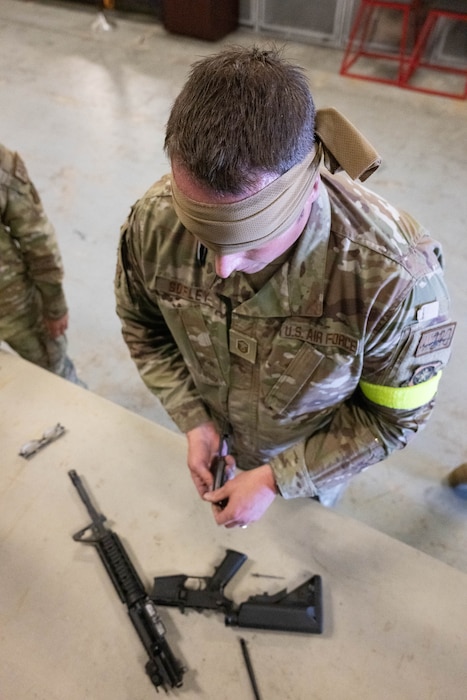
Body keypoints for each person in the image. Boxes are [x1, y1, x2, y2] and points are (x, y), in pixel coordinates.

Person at [115, 46, 455, 528]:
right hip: (221, 438)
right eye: (201, 234)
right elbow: (143, 327)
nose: (224, 267)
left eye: (251, 243)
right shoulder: (153, 223)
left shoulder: (394, 282)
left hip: (313, 462)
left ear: (310, 187)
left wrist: (279, 478)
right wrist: (194, 418)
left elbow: (390, 419)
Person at [0, 142, 84, 386]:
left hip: (13, 303)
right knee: (56, 375)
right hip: (12, 301)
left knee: (57, 376)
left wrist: (53, 304)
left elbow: (36, 240)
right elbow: (38, 239)